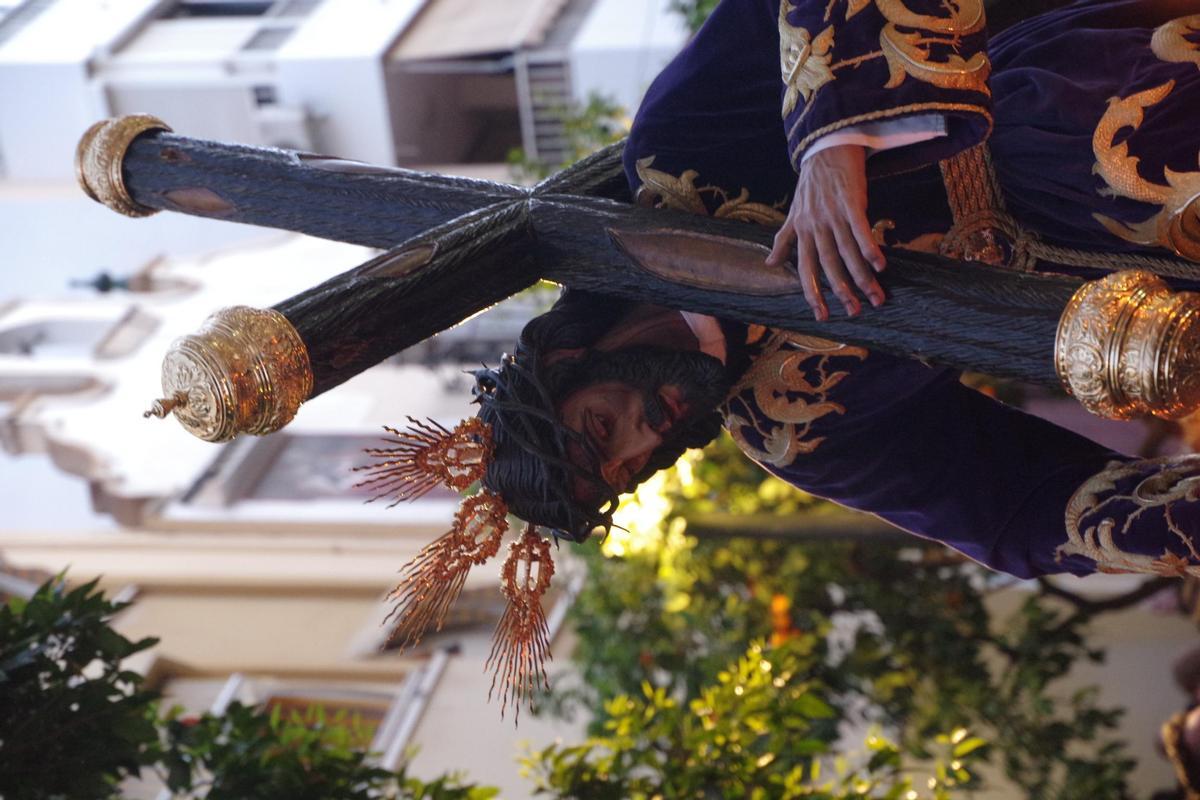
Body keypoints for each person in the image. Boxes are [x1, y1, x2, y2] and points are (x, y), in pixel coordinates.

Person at [464, 0, 1200, 582]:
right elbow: (1010, 508)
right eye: (630, 471)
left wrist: (830, 147)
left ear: (564, 361)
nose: (649, 437)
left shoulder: (679, 161)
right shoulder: (793, 431)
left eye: (601, 427)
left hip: (1099, 122)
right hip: (1148, 303)